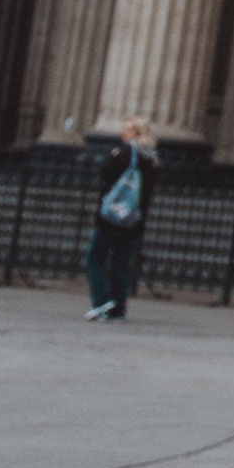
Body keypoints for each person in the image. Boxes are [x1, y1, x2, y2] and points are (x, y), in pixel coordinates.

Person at [82, 119, 157, 322]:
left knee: (95, 258)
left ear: (136, 133)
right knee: (121, 264)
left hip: (113, 215)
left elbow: (105, 172)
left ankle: (101, 300)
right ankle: (118, 308)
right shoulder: (150, 157)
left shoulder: (124, 152)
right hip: (134, 219)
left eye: (127, 129)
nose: (123, 133)